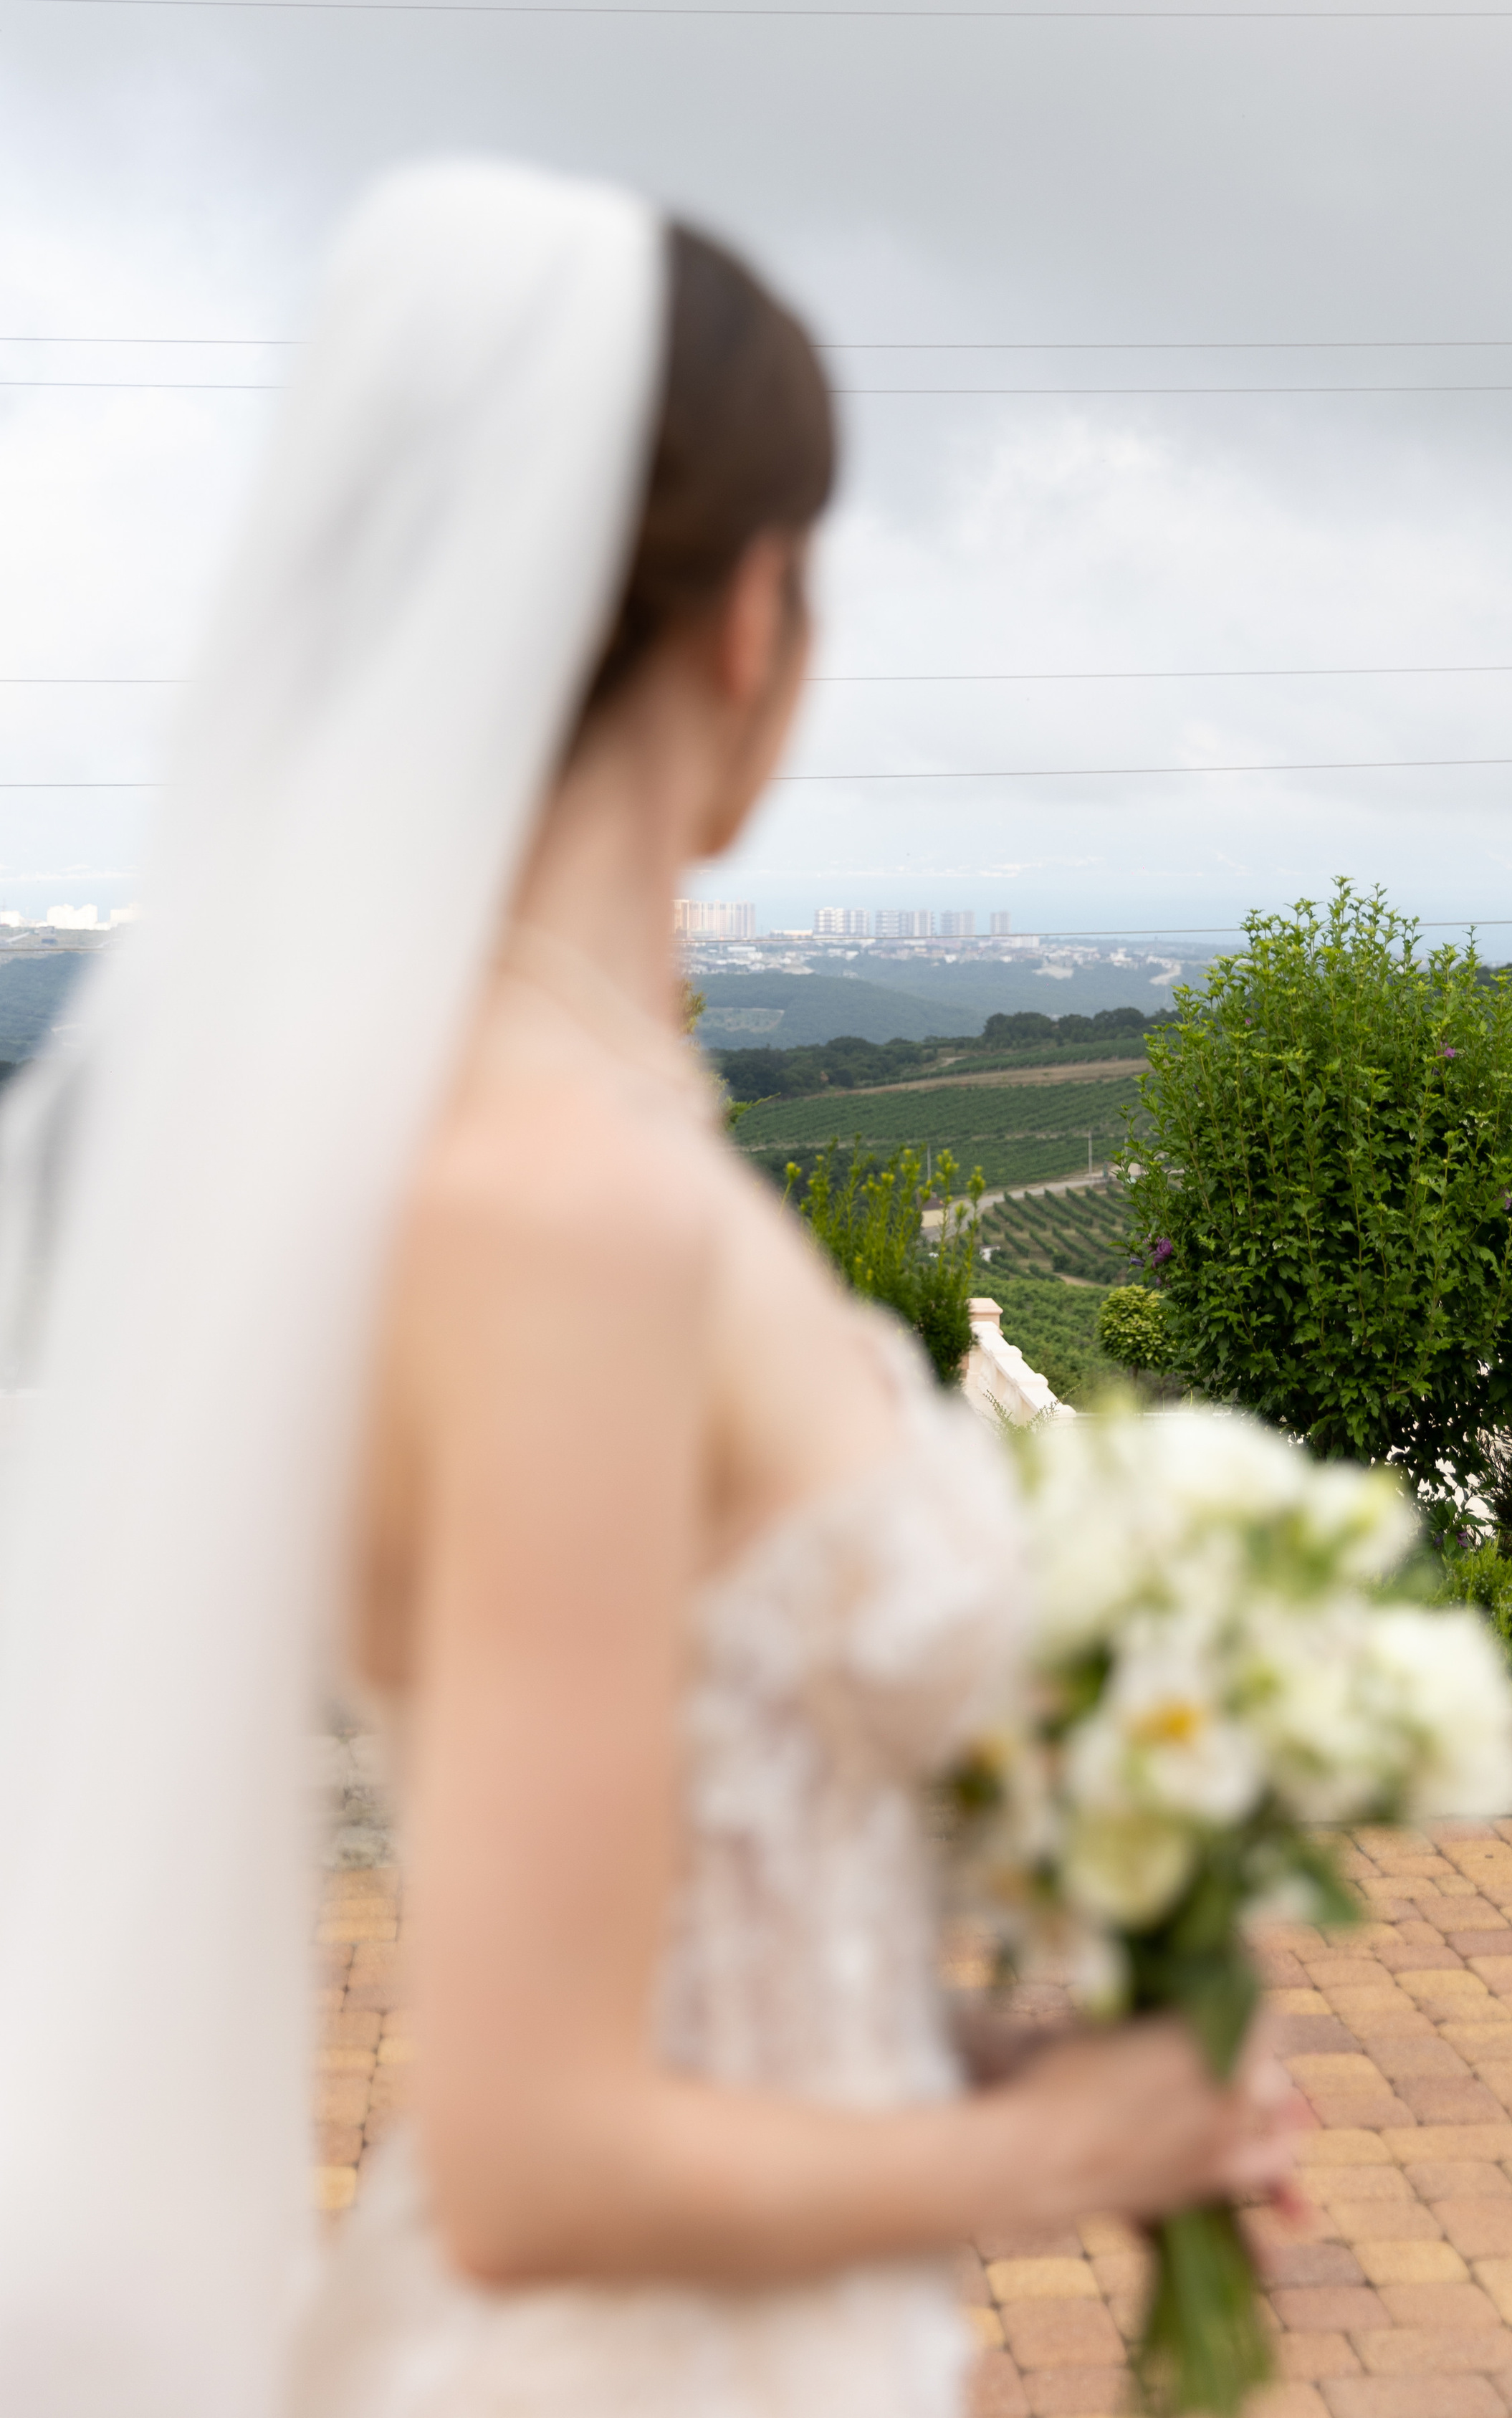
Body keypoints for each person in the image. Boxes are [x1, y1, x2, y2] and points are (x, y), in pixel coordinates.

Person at [0, 162, 1300, 2418]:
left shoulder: (517, 1133)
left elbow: (670, 1939)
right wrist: (1063, 2138)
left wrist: (974, 2044)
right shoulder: (559, 1209)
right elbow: (532, 2154)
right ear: (745, 617)